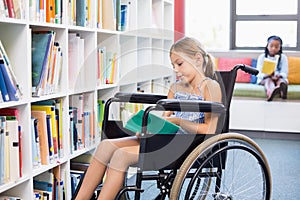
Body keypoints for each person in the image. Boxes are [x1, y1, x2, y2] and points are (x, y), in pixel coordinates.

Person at [74, 37, 222, 200]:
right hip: (166, 138)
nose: (175, 70)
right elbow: (165, 118)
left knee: (120, 156)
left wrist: (179, 121)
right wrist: (149, 128)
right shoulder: (175, 87)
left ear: (198, 59)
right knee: (105, 146)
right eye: (173, 65)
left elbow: (210, 130)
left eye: (179, 64)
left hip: (190, 144)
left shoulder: (210, 87)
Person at [256, 35, 289, 101]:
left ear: (280, 47)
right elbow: (258, 73)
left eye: (276, 47)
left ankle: (282, 92)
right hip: (265, 78)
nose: (273, 48)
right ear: (267, 46)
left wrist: (279, 75)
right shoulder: (262, 57)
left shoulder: (283, 57)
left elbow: (285, 72)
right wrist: (267, 75)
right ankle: (271, 92)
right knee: (268, 81)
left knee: (281, 81)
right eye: (271, 46)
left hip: (278, 77)